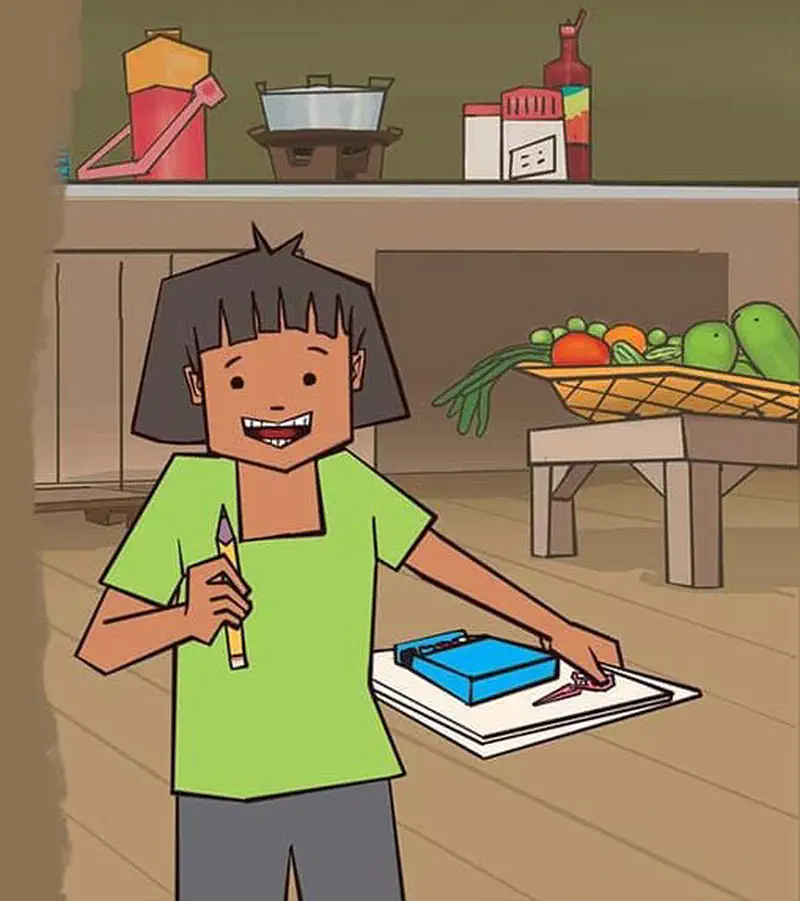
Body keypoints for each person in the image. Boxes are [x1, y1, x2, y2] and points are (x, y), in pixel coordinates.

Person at [76, 225, 623, 901]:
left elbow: (444, 563)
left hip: (350, 773)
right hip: (226, 784)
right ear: (197, 386)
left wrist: (555, 627)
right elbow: (101, 644)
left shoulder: (349, 484)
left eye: (309, 374)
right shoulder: (191, 495)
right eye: (240, 378)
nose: (277, 403)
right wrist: (184, 619)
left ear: (354, 372)